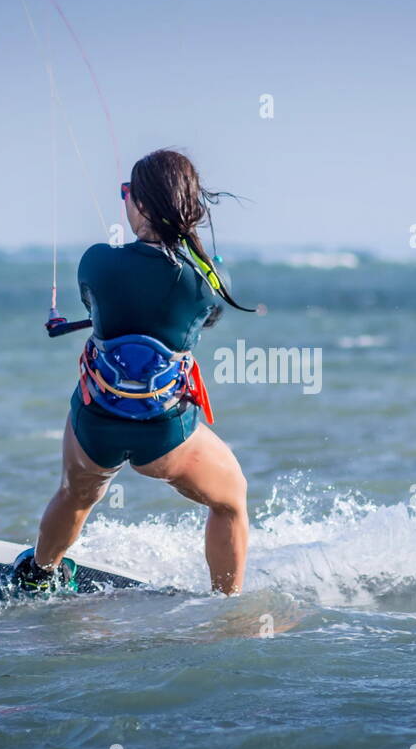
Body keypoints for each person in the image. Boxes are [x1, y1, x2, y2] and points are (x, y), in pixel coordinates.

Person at [20, 149, 254, 595]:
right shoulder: (207, 279)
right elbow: (206, 318)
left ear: (142, 204)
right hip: (165, 434)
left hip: (97, 424)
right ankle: (226, 605)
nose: (124, 201)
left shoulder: (96, 261)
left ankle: (39, 574)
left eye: (127, 193)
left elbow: (95, 304)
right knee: (230, 501)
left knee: (77, 493)